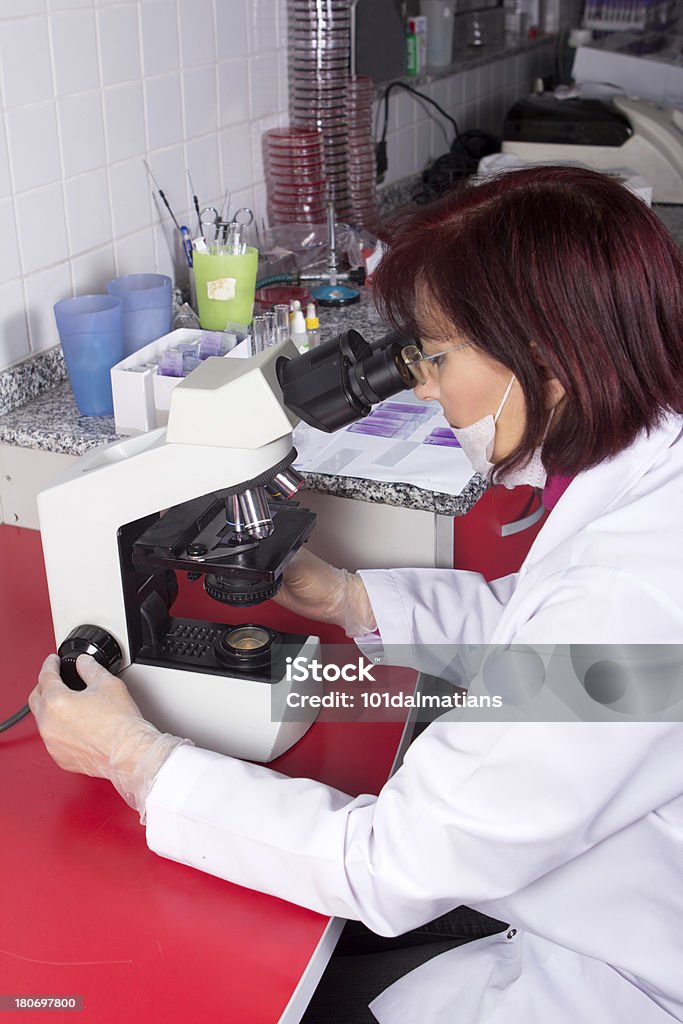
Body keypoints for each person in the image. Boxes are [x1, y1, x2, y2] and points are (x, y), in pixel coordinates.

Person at [30, 167, 683, 1024]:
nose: (419, 386)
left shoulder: (629, 596)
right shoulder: (650, 481)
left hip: (621, 979)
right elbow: (541, 648)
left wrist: (135, 759)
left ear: (547, 360)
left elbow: (388, 864)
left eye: (435, 356)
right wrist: (349, 600)